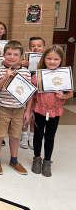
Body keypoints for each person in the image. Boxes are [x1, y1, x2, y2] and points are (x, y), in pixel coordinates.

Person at [26, 46, 72, 177]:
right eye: (49, 58)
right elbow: (31, 95)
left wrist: (62, 96)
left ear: (61, 60)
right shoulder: (37, 76)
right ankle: (37, 158)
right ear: (44, 59)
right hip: (39, 110)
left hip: (55, 112)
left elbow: (70, 93)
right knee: (38, 135)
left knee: (50, 136)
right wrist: (28, 111)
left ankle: (47, 161)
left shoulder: (64, 76)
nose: (52, 61)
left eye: (56, 59)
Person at [0, 41, 31, 175]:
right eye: (9, 54)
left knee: (15, 135)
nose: (11, 57)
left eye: (15, 54)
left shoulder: (25, 73)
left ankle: (14, 160)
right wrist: (6, 76)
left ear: (21, 57)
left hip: (19, 109)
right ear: (3, 55)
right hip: (2, 107)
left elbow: (29, 93)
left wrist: (28, 110)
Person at [20, 36, 46, 149]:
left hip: (40, 89)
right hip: (27, 87)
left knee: (36, 111)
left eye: (39, 46)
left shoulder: (47, 60)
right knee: (26, 110)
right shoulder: (24, 61)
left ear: (44, 48)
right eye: (33, 46)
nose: (36, 48)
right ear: (29, 49)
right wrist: (23, 64)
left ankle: (32, 135)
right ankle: (24, 135)